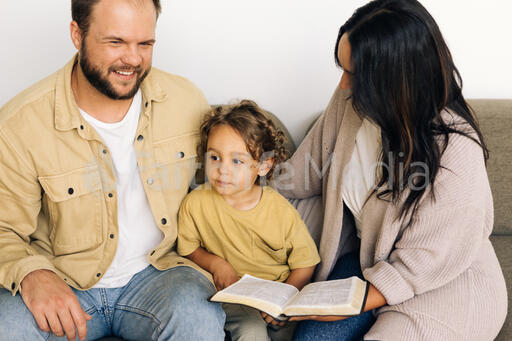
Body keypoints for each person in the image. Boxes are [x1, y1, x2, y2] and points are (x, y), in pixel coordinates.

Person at [275, 0, 508, 340]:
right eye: (341, 69)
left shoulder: (456, 147)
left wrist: (352, 304)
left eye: (354, 75)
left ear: (394, 80)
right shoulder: (348, 104)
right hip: (370, 263)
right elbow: (303, 174)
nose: (342, 85)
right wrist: (239, 183)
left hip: (443, 282)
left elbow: (428, 261)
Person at [0, 0, 225, 340]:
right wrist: (33, 274)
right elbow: (4, 228)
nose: (133, 59)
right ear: (77, 34)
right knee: (9, 329)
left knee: (198, 320)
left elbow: (219, 196)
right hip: (64, 281)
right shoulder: (20, 124)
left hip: (161, 274)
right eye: (115, 42)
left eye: (145, 44)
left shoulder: (186, 101)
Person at [177, 100, 321, 341]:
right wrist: (216, 264)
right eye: (214, 157)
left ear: (264, 165)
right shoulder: (195, 203)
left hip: (277, 294)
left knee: (299, 333)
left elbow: (305, 263)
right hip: (233, 295)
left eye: (236, 161)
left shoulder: (280, 211)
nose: (222, 169)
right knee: (251, 331)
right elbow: (188, 249)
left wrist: (283, 297)